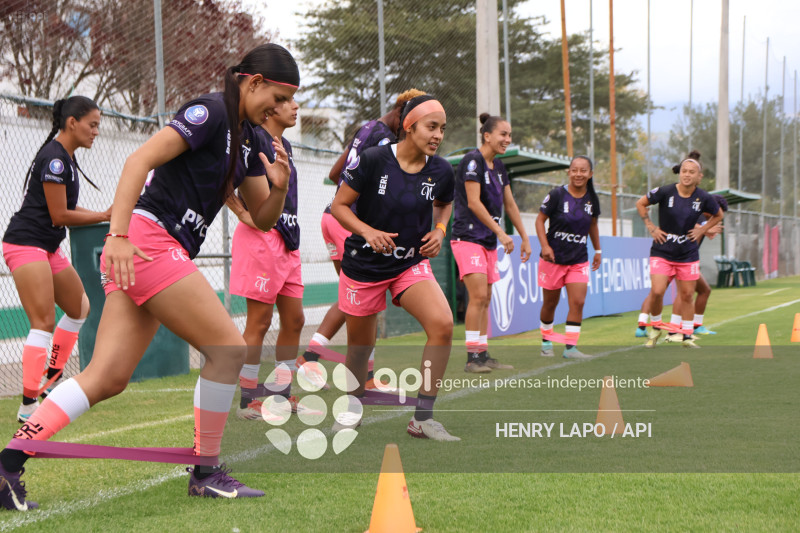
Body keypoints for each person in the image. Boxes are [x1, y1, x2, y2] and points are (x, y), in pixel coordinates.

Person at [0, 43, 300, 510]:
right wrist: (116, 235)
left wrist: (279, 190)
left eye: (289, 101)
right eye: (278, 98)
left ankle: (8, 463)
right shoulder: (211, 111)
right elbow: (137, 161)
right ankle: (206, 471)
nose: (283, 110)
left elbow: (262, 219)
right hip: (147, 243)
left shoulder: (254, 141)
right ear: (253, 82)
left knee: (107, 376)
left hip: (154, 249)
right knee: (228, 350)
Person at [331, 95, 459, 441]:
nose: (438, 135)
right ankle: (351, 407)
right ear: (409, 126)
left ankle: (423, 418)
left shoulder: (442, 169)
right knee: (360, 348)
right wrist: (368, 232)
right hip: (364, 267)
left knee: (443, 324)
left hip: (409, 263)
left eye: (442, 129)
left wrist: (440, 230)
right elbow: (339, 206)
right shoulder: (374, 159)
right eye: (431, 127)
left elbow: (445, 205)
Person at [304, 89, 426, 388]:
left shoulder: (367, 128)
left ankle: (311, 359)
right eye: (414, 122)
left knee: (353, 299)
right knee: (364, 298)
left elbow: (337, 173)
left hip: (330, 217)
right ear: (402, 113)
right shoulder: (386, 139)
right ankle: (338, 370)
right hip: (351, 223)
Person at [2, 96, 111, 424]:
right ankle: (27, 406)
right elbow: (59, 213)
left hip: (47, 246)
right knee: (43, 322)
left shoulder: (65, 157)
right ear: (72, 122)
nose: (96, 132)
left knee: (80, 308)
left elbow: (66, 209)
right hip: (25, 243)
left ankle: (49, 386)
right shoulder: (55, 159)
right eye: (92, 125)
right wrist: (103, 216)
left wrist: (105, 214)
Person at [227, 97, 325, 419]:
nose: (295, 107)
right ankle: (249, 398)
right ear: (271, 107)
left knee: (295, 320)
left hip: (288, 241)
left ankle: (280, 392)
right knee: (260, 321)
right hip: (261, 240)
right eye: (287, 101)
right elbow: (224, 176)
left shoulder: (286, 146)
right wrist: (242, 212)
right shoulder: (253, 140)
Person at [452, 113, 531, 373]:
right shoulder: (472, 161)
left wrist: (524, 237)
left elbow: (510, 204)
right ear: (487, 136)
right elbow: (473, 202)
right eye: (503, 134)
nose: (507, 139)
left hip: (486, 241)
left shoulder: (499, 167)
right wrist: (500, 232)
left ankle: (483, 354)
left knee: (485, 299)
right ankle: (471, 359)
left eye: (509, 135)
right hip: (468, 238)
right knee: (478, 297)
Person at [635, 150, 723, 349]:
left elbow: (718, 215)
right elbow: (641, 203)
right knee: (657, 291)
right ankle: (656, 327)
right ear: (679, 172)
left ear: (698, 177)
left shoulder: (704, 197)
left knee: (686, 296)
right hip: (662, 251)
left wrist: (702, 230)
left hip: (687, 254)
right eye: (684, 170)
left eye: (692, 172)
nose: (687, 174)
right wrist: (651, 227)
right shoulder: (665, 192)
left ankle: (686, 336)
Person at [535, 156, 602, 359]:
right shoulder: (556, 195)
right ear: (569, 172)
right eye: (574, 170)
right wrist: (545, 246)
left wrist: (598, 250)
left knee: (578, 302)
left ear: (590, 174)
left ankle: (570, 348)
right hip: (553, 259)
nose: (578, 174)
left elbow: (592, 225)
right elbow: (539, 221)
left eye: (583, 171)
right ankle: (546, 342)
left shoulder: (592, 199)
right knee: (550, 304)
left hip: (578, 259)